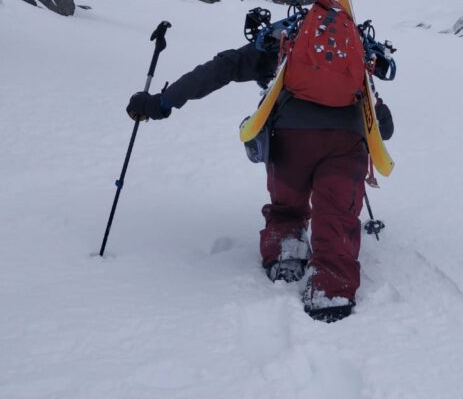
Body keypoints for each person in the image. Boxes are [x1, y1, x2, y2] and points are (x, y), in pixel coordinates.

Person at [126, 32, 394, 323]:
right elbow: (382, 125)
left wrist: (162, 102)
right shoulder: (354, 45)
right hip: (346, 138)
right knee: (336, 214)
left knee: (287, 208)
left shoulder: (286, 36)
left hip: (290, 137)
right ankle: (331, 289)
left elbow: (223, 67)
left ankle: (285, 251)